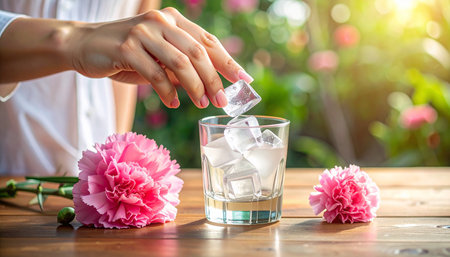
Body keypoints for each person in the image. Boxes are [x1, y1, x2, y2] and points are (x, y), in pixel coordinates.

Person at [0, 0, 253, 176]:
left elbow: (132, 58)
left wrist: (116, 163)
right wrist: (71, 41)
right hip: (11, 170)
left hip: (95, 188)